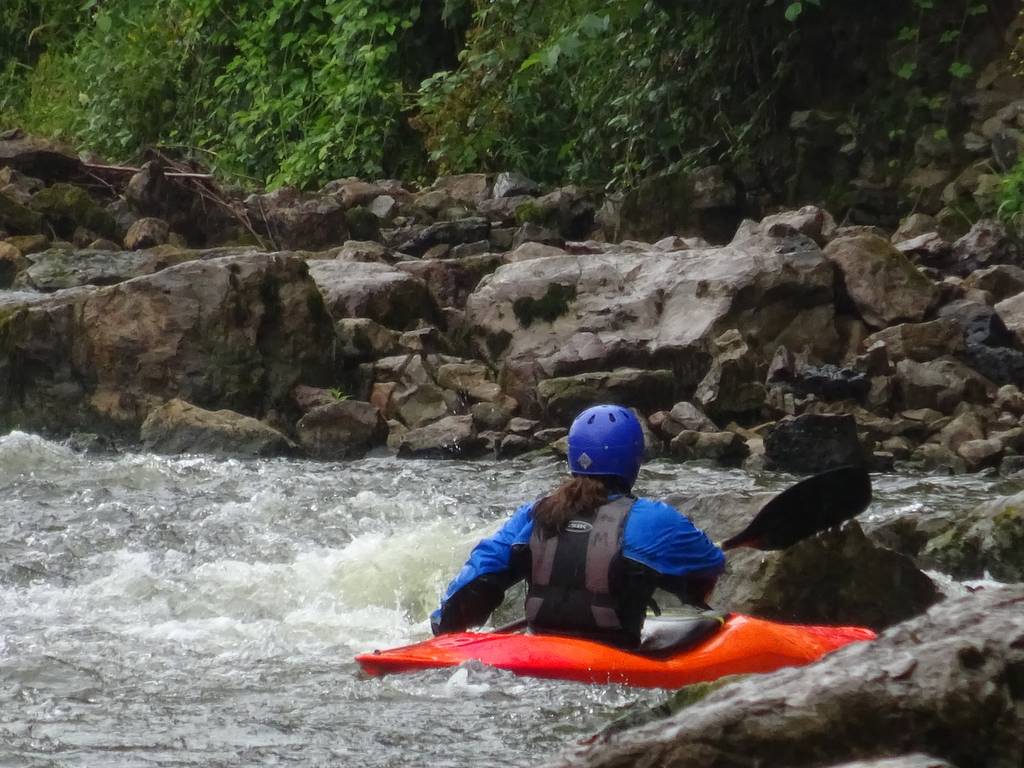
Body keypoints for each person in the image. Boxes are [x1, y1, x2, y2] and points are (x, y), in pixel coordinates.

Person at [430, 404, 726, 648]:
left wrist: (443, 625)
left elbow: (480, 574)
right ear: (633, 460)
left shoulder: (535, 514)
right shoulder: (655, 520)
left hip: (540, 653)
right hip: (614, 660)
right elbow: (711, 567)